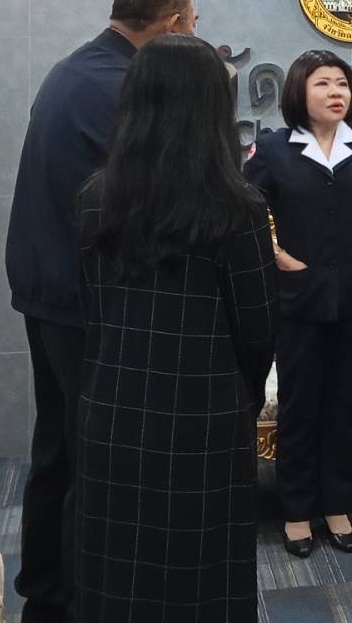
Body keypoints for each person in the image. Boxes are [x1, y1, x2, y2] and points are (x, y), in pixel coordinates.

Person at [5, 0, 196, 623]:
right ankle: (83, 599)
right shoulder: (124, 86)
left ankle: (46, 591)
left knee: (58, 450)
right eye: (192, 24)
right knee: (98, 460)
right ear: (171, 24)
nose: (193, 34)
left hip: (47, 290)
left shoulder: (73, 69)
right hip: (90, 301)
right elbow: (147, 202)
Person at [75, 34, 277, 623]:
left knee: (116, 568)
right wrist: (242, 396)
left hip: (111, 406)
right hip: (205, 413)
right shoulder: (239, 206)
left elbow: (92, 308)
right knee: (204, 572)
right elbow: (259, 327)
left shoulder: (95, 197)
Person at [243, 49, 352, 559]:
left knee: (341, 403)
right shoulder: (274, 149)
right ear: (299, 91)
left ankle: (336, 505)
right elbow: (243, 211)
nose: (337, 92)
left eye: (342, 83)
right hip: (296, 299)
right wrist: (277, 256)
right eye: (323, 83)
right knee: (298, 406)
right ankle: (296, 511)